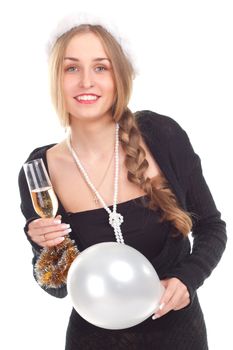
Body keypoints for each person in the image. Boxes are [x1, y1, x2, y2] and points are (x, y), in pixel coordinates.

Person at [18, 13, 227, 350]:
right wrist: (44, 246)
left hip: (178, 335)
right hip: (92, 341)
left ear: (119, 76)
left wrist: (187, 279)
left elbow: (212, 227)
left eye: (100, 67)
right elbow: (56, 288)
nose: (87, 81)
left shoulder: (161, 135)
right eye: (72, 68)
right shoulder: (40, 169)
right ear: (56, 79)